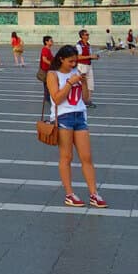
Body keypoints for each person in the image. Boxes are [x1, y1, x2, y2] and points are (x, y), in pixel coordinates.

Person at [46, 45, 106, 208]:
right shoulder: (53, 74)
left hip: (80, 116)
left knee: (87, 157)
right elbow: (57, 99)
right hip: (63, 117)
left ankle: (94, 193)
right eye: (70, 61)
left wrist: (84, 82)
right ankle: (69, 194)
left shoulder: (76, 72)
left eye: (75, 61)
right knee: (67, 157)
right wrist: (69, 83)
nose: (74, 64)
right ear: (61, 59)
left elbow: (85, 99)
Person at [75, 30, 98, 107]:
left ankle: (88, 100)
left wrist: (94, 57)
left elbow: (89, 55)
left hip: (88, 65)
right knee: (82, 84)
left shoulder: (88, 45)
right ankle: (81, 100)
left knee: (90, 83)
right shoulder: (79, 45)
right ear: (82, 36)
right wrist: (90, 56)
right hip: (82, 66)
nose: (88, 36)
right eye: (86, 34)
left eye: (88, 34)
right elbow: (78, 57)